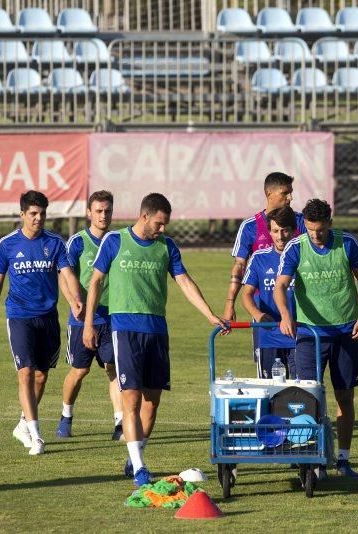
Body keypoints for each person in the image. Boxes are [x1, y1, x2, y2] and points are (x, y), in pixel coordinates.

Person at [83, 193, 226, 487]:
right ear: (145, 216)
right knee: (131, 399)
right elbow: (95, 281)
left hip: (157, 331)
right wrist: (88, 324)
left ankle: (134, 454)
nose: (163, 230)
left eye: (166, 225)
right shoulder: (115, 241)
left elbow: (184, 281)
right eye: (159, 223)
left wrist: (210, 315)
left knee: (152, 402)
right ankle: (139, 469)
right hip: (124, 330)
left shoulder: (167, 247)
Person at [0, 190, 84, 456]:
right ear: (22, 215)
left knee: (40, 376)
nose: (38, 219)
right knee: (25, 372)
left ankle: (23, 424)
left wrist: (75, 299)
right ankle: (37, 436)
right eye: (33, 214)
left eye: (42, 214)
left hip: (48, 317)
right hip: (18, 316)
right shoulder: (7, 244)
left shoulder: (55, 243)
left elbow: (68, 274)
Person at [274, 198, 358, 478]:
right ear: (304, 223)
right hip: (309, 334)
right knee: (307, 398)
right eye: (310, 228)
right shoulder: (295, 247)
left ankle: (343, 458)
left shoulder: (347, 243)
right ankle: (313, 460)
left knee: (345, 397)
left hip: (346, 332)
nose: (315, 234)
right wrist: (285, 314)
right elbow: (280, 286)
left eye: (320, 229)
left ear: (330, 222)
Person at [56, 190, 124, 441]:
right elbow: (64, 275)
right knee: (79, 371)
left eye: (107, 211)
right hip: (82, 318)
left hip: (111, 317)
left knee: (113, 368)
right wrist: (73, 301)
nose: (103, 215)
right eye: (98, 211)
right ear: (88, 213)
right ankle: (66, 415)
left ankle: (119, 423)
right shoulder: (77, 242)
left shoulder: (118, 240)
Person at [222, 172, 307, 322]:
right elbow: (240, 265)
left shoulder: (301, 222)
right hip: (264, 308)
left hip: (301, 307)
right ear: (269, 193)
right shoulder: (250, 226)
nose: (290, 198)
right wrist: (230, 303)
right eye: (285, 193)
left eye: (291, 193)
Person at [240, 206, 297, 378]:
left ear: (293, 231)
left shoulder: (304, 256)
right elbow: (247, 294)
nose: (280, 236)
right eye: (275, 231)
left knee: (302, 392)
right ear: (269, 232)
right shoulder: (259, 258)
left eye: (285, 231)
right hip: (269, 335)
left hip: (299, 334)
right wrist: (258, 315)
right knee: (269, 392)